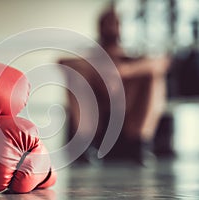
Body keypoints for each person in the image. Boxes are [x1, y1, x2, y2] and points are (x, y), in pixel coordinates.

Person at [60, 7, 170, 164]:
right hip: (97, 118)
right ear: (99, 26)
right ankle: (85, 143)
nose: (112, 27)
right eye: (108, 23)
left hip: (131, 117)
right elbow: (63, 62)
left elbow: (162, 63)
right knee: (75, 76)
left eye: (116, 23)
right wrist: (104, 71)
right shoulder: (89, 52)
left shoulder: (134, 54)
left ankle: (139, 143)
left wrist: (125, 71)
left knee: (154, 77)